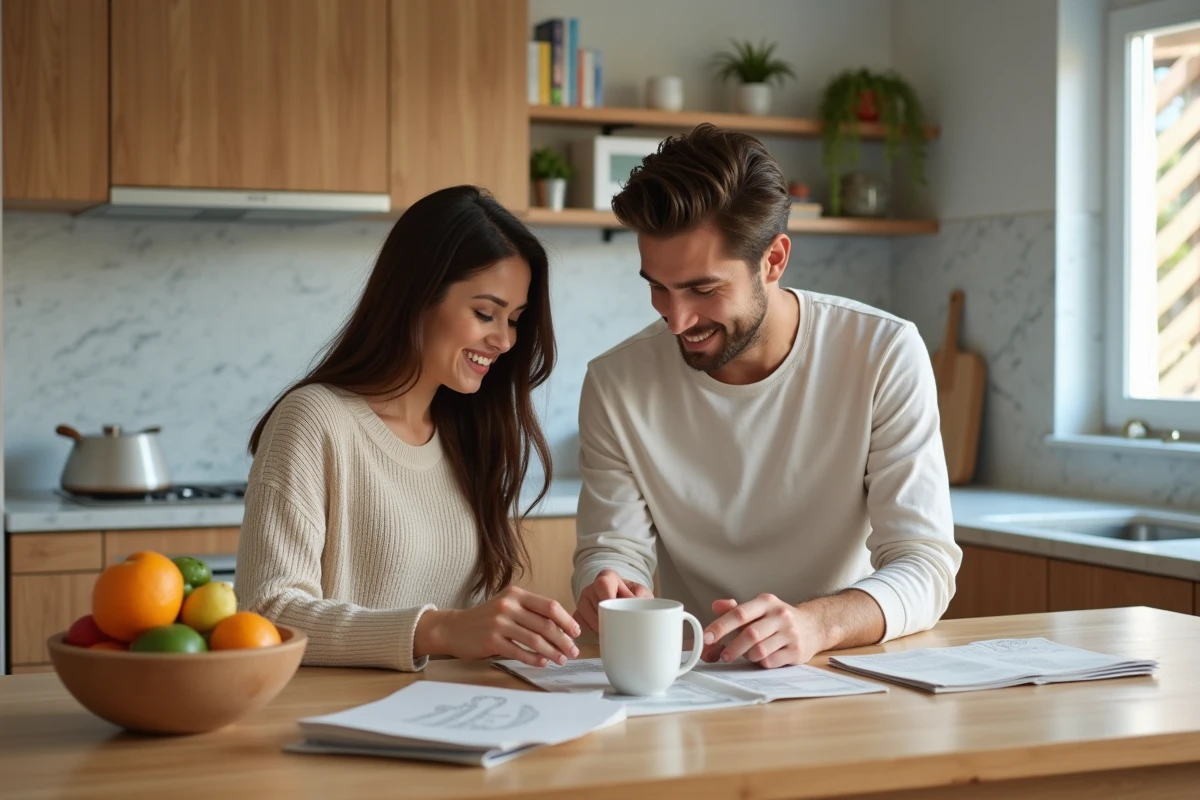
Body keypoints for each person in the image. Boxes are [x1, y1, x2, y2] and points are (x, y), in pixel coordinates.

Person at [571, 124, 961, 669]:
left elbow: (925, 564)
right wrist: (607, 585)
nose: (677, 320)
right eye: (658, 286)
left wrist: (815, 625)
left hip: (841, 667)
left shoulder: (882, 353)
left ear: (773, 260)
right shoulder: (616, 383)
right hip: (695, 678)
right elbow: (612, 549)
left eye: (703, 290)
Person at [236, 185, 580, 672]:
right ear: (418, 295)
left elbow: (467, 633)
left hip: (449, 717)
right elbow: (266, 615)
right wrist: (436, 629)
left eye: (515, 319)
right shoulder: (315, 420)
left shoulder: (470, 432)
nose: (504, 340)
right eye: (485, 313)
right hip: (339, 725)